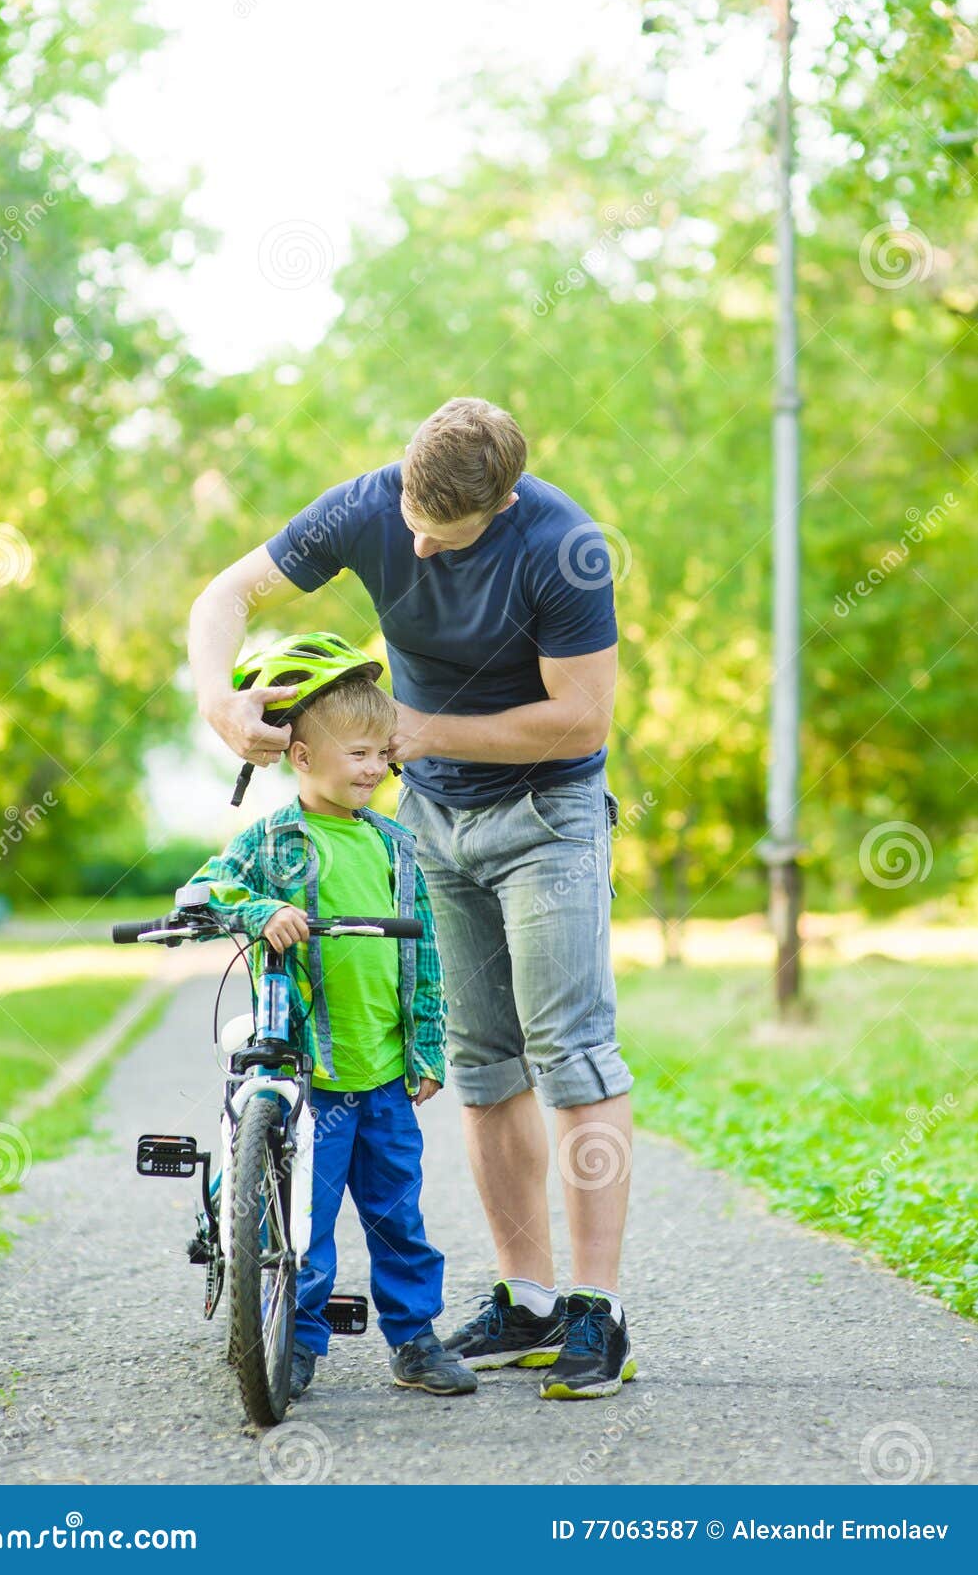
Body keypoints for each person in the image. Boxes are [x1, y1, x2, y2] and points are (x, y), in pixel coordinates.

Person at [188, 396, 636, 1400]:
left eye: (445, 531)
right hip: (434, 824)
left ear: (505, 500)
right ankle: (526, 1299)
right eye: (412, 517)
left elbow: (580, 717)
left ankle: (595, 1312)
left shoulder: (564, 548)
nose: (419, 545)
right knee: (481, 1059)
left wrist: (425, 732)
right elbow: (226, 594)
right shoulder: (371, 506)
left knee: (570, 1047)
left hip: (546, 815)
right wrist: (219, 698)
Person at [187, 637, 476, 1400]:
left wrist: (425, 1050)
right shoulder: (272, 840)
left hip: (381, 1077)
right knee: (304, 1231)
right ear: (302, 755)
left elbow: (425, 961)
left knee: (398, 1221)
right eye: (358, 753)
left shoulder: (396, 845)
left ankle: (414, 1342)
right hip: (308, 1073)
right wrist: (260, 908)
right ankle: (297, 1343)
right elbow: (204, 892)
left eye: (383, 754)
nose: (375, 768)